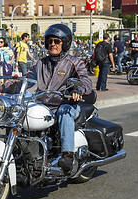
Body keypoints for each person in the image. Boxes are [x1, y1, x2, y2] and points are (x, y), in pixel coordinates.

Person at [25, 24, 92, 173]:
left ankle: (67, 155)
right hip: (43, 106)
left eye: (56, 41)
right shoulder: (41, 63)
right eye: (49, 41)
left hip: (67, 104)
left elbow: (86, 81)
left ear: (65, 43)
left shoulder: (73, 62)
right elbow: (26, 78)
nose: (52, 44)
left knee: (64, 111)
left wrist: (78, 90)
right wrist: (8, 86)